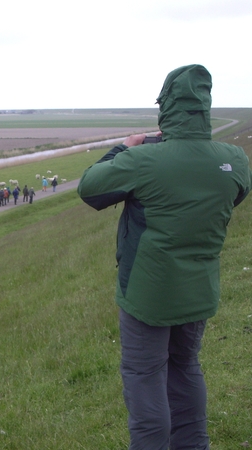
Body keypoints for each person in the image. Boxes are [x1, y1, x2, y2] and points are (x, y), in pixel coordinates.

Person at [77, 64, 251, 449]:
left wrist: (126, 146)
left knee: (145, 375)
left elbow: (90, 188)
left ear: (165, 108)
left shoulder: (143, 160)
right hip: (198, 291)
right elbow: (236, 194)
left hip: (146, 296)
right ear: (205, 106)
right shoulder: (234, 159)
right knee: (187, 368)